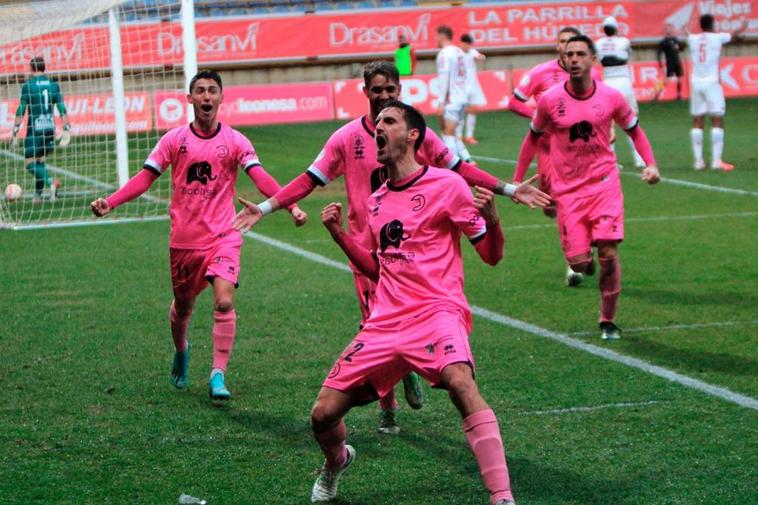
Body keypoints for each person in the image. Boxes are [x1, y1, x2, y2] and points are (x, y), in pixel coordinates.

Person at [231, 61, 549, 434]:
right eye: (376, 90)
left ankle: (406, 373)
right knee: (374, 326)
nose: (383, 96)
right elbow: (309, 179)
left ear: (399, 91)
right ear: (365, 92)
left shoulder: (416, 133)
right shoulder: (346, 138)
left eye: (390, 90)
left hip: (410, 255)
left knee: (404, 323)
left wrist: (508, 189)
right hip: (365, 252)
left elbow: (460, 169)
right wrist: (267, 208)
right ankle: (390, 405)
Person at [309, 100, 515, 505]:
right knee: (322, 414)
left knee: (460, 382)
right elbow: (377, 268)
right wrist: (339, 235)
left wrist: (492, 219)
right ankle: (337, 462)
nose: (378, 129)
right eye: (377, 123)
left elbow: (491, 255)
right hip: (386, 321)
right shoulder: (377, 200)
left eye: (389, 121)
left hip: (438, 311)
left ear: (413, 135)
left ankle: (502, 496)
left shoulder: (447, 186)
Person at [90, 70, 307, 400]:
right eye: (200, 91)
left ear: (222, 97)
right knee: (184, 306)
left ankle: (218, 374)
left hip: (224, 234)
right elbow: (145, 178)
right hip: (183, 241)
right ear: (189, 99)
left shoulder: (236, 141)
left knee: (223, 301)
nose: (206, 97)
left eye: (212, 91)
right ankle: (181, 349)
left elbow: (260, 176)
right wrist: (112, 201)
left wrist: (289, 207)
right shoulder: (174, 140)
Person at [514, 35, 661, 340]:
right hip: (567, 192)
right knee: (579, 264)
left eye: (581, 54)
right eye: (570, 54)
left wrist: (651, 163)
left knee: (608, 250)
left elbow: (634, 130)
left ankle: (607, 319)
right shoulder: (550, 100)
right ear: (564, 60)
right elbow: (531, 138)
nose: (575, 59)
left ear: (593, 60)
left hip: (604, 184)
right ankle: (585, 261)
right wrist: (517, 180)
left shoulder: (611, 97)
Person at [508, 26, 599, 288]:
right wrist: (538, 118)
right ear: (557, 46)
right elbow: (514, 102)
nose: (567, 48)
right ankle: (580, 249)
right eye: (562, 42)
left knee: (570, 204)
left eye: (572, 43)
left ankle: (574, 262)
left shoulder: (588, 75)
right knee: (552, 208)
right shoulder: (541, 72)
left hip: (580, 151)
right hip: (549, 152)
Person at [687, 14, 747, 171]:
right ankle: (716, 161)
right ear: (712, 24)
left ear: (700, 25)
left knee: (697, 120)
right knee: (717, 119)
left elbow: (687, 35)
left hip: (696, 82)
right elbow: (734, 36)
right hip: (711, 82)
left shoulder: (693, 39)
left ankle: (698, 162)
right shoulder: (717, 38)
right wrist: (742, 27)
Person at [10, 56, 70, 204]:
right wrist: (66, 128)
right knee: (40, 162)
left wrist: (16, 129)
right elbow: (61, 107)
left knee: (30, 164)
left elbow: (22, 109)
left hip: (35, 129)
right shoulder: (53, 85)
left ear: (31, 69)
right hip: (50, 128)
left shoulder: (28, 86)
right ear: (44, 68)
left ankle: (51, 182)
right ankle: (38, 196)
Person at [595, 16, 646, 169]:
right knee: (631, 120)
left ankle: (611, 159)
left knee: (607, 122)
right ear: (616, 28)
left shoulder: (598, 43)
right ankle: (639, 159)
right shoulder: (624, 42)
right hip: (623, 80)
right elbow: (627, 54)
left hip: (608, 81)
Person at [435, 25, 473, 163]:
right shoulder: (460, 52)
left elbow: (444, 76)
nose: (436, 40)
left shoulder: (445, 53)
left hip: (451, 99)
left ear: (442, 36)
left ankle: (454, 167)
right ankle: (465, 160)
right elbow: (468, 75)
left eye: (436, 36)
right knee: (454, 133)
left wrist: (441, 102)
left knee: (447, 133)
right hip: (461, 97)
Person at [460, 33, 486, 145]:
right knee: (459, 111)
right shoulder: (457, 54)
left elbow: (479, 56)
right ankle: (458, 135)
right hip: (461, 86)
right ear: (462, 43)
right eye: (467, 44)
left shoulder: (472, 52)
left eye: (470, 44)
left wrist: (481, 57)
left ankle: (469, 136)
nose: (469, 46)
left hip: (473, 85)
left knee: (473, 110)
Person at [656, 23, 685, 101]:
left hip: (677, 62)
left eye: (671, 28)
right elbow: (659, 53)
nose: (669, 30)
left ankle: (679, 95)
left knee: (679, 78)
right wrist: (660, 62)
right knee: (666, 80)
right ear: (665, 30)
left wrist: (680, 47)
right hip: (670, 62)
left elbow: (682, 49)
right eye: (667, 28)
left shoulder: (676, 40)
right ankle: (657, 94)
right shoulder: (663, 42)